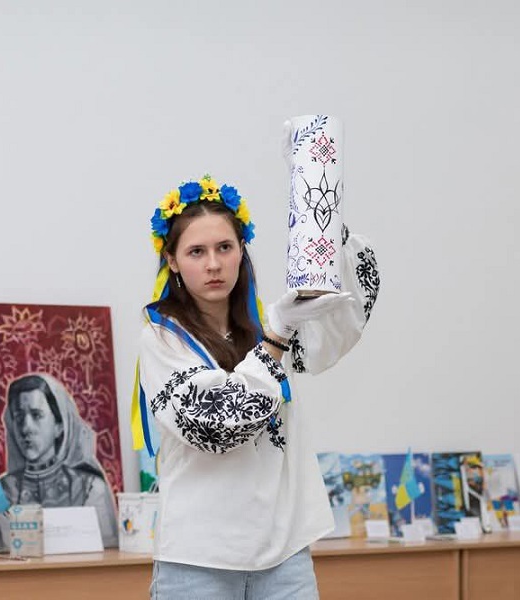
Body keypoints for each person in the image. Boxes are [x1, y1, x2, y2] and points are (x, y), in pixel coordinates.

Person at [133, 174, 379, 599]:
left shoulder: (267, 324)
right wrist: (277, 337)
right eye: (196, 251)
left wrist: (317, 206)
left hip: (284, 558)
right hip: (199, 562)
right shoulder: (162, 338)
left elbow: (344, 320)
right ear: (172, 260)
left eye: (224, 248)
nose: (213, 264)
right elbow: (217, 424)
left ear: (241, 251)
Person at [0, 373, 119, 551]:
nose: (26, 428)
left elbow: (108, 557)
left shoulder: (90, 489)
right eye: (19, 417)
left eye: (37, 415)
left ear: (59, 426)